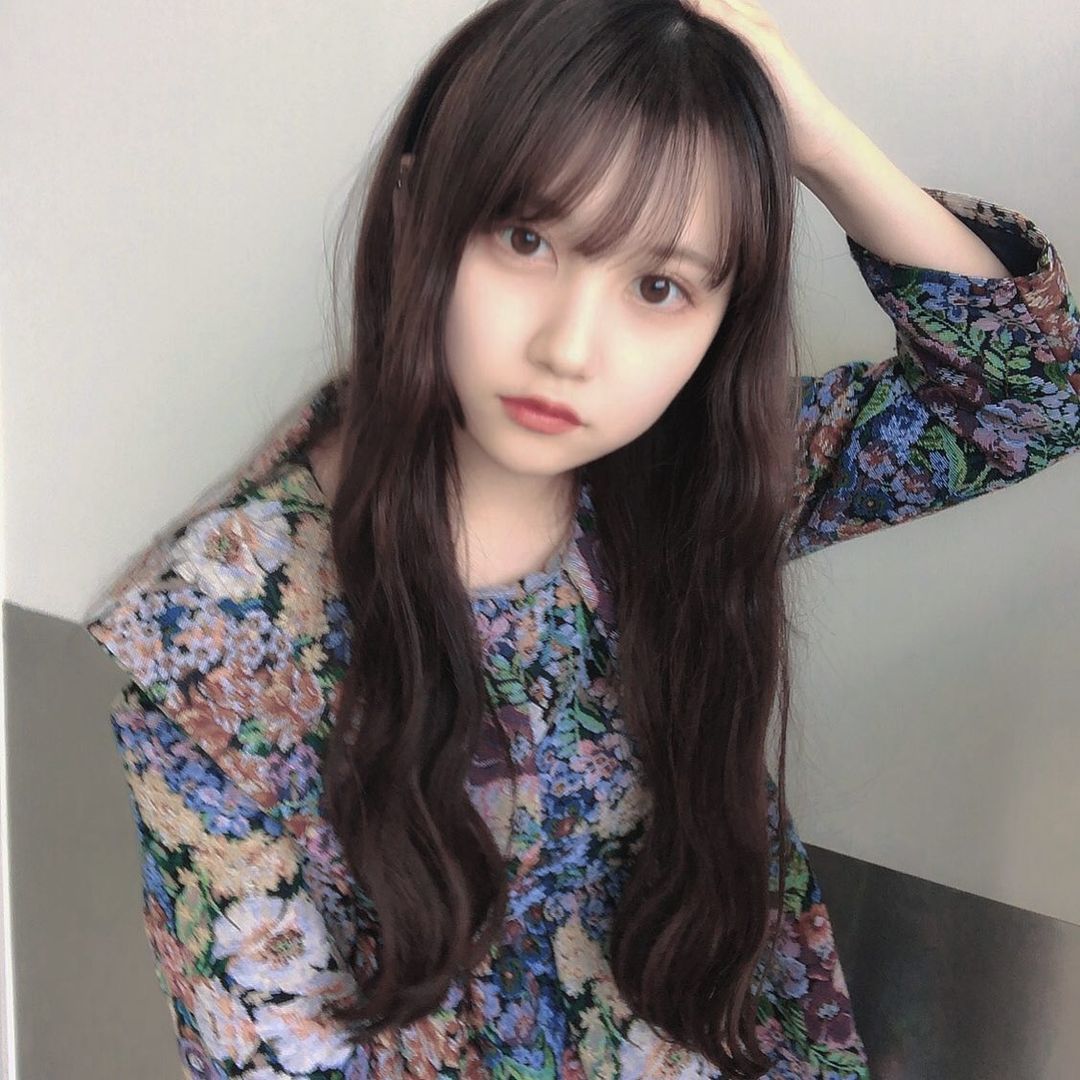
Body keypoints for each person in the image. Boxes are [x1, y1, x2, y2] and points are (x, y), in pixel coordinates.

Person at [83, 1, 1080, 1077]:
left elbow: (1023, 400)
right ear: (418, 210)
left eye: (659, 286)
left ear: (724, 318)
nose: (570, 347)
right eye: (527, 239)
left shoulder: (692, 489)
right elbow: (271, 1055)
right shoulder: (215, 641)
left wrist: (820, 143)